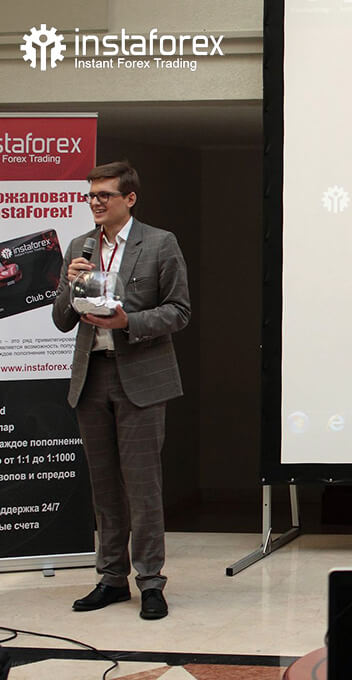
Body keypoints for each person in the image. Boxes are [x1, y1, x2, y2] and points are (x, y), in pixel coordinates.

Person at [52, 161, 191, 620]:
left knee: (142, 485)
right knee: (104, 486)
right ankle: (111, 578)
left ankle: (150, 582)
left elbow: (179, 311)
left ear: (129, 199)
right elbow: (62, 319)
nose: (95, 202)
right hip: (91, 377)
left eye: (104, 195)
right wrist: (70, 284)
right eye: (91, 195)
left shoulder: (160, 243)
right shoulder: (79, 246)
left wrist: (128, 321)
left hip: (142, 378)